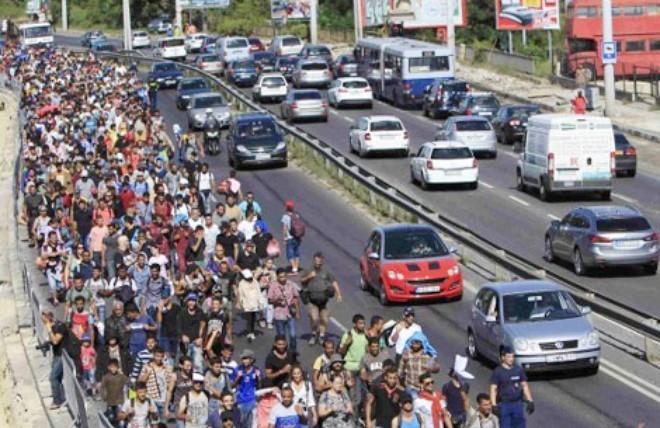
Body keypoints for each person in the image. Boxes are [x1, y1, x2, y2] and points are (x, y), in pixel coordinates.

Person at [300, 252, 343, 346]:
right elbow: (302, 280)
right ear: (313, 260)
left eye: (320, 260)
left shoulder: (326, 270)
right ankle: (313, 334)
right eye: (317, 260)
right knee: (314, 318)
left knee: (324, 319)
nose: (318, 262)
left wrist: (338, 294)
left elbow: (334, 281)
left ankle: (322, 336)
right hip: (312, 299)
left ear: (322, 261)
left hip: (324, 299)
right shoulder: (308, 270)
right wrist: (309, 277)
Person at [489, 347, 534, 428]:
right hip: (504, 404)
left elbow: (524, 385)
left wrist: (530, 400)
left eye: (512, 357)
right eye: (509, 357)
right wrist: (494, 405)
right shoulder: (498, 372)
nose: (511, 359)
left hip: (517, 403)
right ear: (503, 357)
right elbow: (493, 389)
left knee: (519, 425)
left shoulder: (518, 369)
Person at [268, 267, 301, 356]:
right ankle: (283, 352)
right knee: (282, 337)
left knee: (293, 335)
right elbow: (270, 300)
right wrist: (277, 300)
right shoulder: (273, 286)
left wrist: (297, 312)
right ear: (277, 277)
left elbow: (295, 298)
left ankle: (293, 352)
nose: (283, 279)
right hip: (279, 315)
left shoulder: (291, 284)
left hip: (290, 314)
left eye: (284, 276)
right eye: (281, 277)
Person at [398, 333, 440, 399]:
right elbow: (400, 371)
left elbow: (436, 370)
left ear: (422, 344)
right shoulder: (407, 354)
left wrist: (435, 361)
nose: (414, 345)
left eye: (417, 342)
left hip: (423, 389)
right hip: (410, 387)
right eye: (413, 342)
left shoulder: (427, 356)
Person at [42, 309, 69, 410]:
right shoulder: (52, 326)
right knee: (58, 378)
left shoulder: (59, 326)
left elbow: (55, 340)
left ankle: (57, 401)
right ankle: (62, 399)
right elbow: (47, 339)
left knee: (53, 377)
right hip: (57, 355)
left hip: (62, 356)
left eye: (44, 318)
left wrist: (49, 328)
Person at [233, 349, 262, 428]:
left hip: (252, 401)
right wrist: (238, 377)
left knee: (251, 425)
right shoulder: (237, 369)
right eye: (243, 358)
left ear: (251, 359)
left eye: (246, 358)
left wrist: (258, 377)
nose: (243, 360)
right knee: (240, 424)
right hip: (240, 400)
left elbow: (259, 387)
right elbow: (232, 385)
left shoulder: (256, 370)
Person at [100, 358, 130, 426]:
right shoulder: (106, 377)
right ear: (108, 367)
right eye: (112, 367)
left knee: (121, 418)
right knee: (111, 417)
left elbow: (130, 384)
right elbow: (102, 387)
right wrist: (104, 396)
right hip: (110, 401)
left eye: (115, 367)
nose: (113, 369)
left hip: (119, 401)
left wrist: (132, 397)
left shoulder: (121, 377)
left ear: (118, 367)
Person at [290, 363, 317, 427]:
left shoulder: (307, 384)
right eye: (295, 374)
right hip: (292, 415)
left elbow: (311, 400)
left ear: (301, 374)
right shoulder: (288, 385)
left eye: (298, 373)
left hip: (305, 415)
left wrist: (315, 415)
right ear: (292, 375)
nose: (297, 376)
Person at [281, 201, 302, 274]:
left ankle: (294, 269)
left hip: (289, 237)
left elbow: (284, 227)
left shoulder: (285, 216)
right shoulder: (296, 215)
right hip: (297, 236)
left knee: (290, 253)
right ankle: (296, 268)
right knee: (296, 252)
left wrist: (284, 237)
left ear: (286, 207)